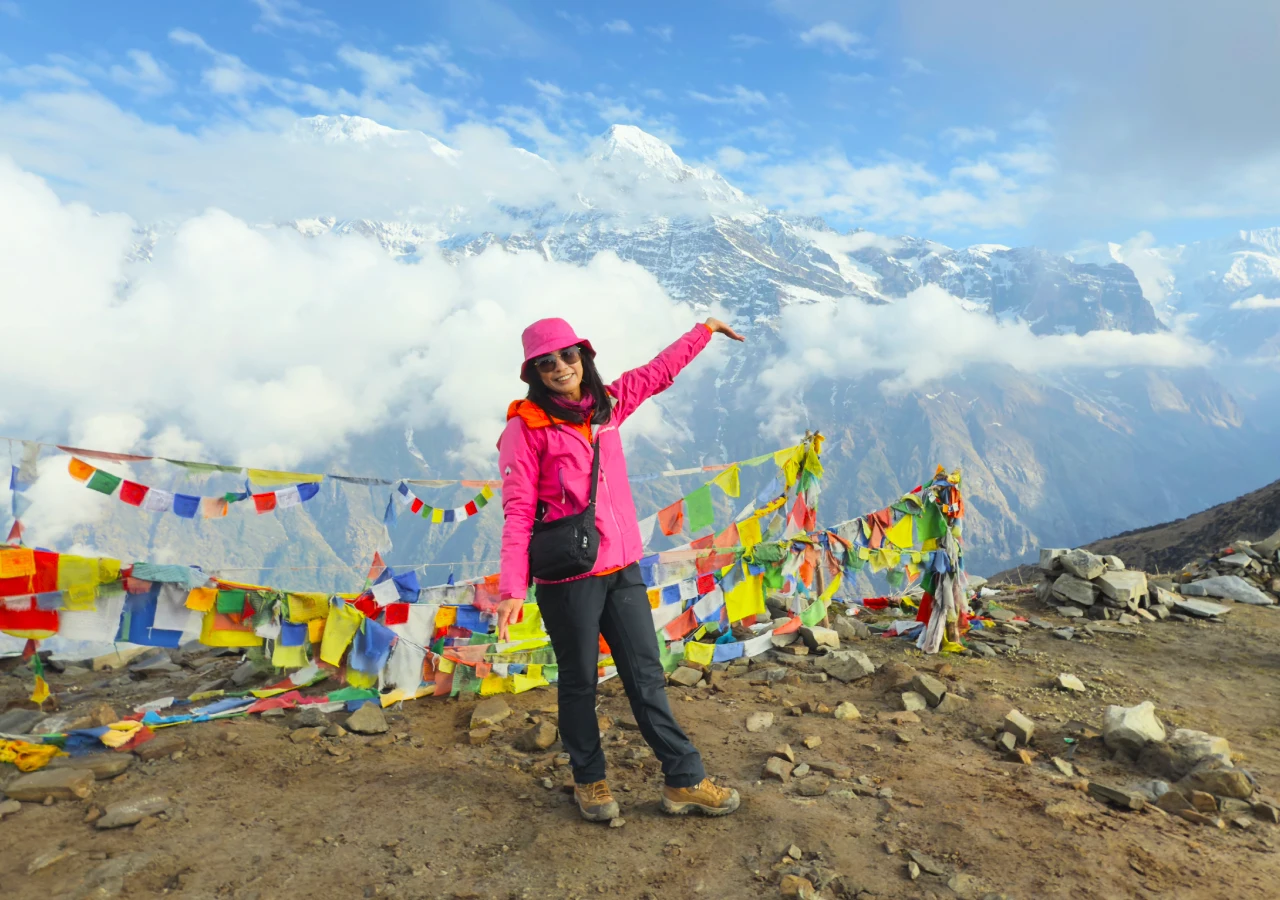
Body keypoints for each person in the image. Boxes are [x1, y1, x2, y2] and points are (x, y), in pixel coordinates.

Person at [496, 316, 745, 822]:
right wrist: (510, 588)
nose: (560, 368)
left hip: (623, 567)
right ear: (534, 374)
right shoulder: (525, 431)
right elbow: (518, 511)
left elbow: (658, 372)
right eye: (547, 363)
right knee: (579, 681)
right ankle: (590, 783)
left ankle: (684, 779)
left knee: (645, 677)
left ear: (582, 356)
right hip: (568, 578)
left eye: (567, 356)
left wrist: (704, 330)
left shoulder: (607, 406)